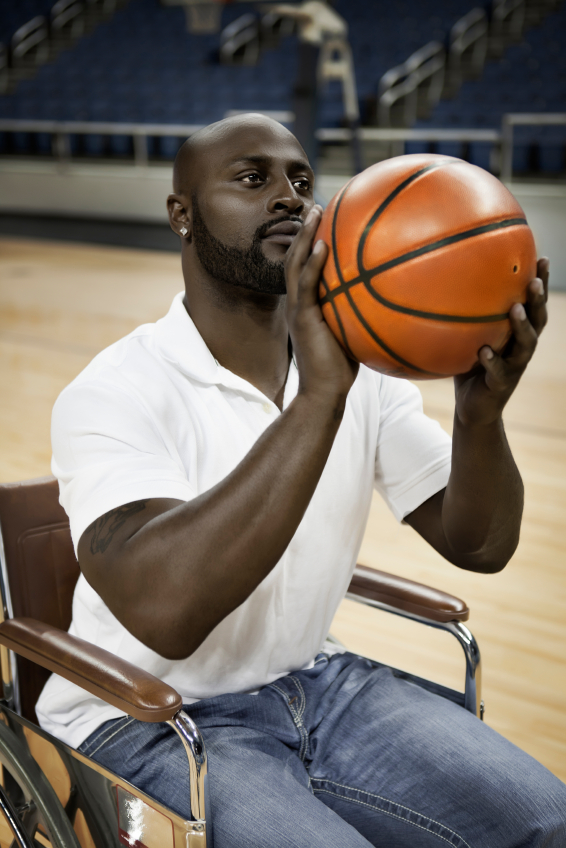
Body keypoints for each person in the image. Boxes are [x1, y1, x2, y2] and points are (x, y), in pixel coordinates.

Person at [36, 114, 565, 847]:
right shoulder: (117, 390)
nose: (289, 197)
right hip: (151, 719)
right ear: (181, 216)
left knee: (548, 821)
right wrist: (319, 399)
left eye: (302, 181)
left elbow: (479, 545)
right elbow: (169, 614)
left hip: (318, 684)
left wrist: (481, 418)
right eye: (253, 179)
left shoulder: (364, 369)